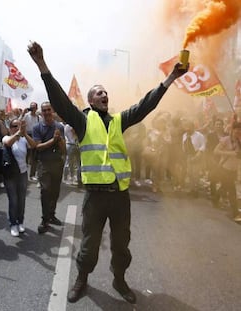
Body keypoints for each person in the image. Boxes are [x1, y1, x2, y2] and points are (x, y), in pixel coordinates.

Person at [28, 41, 188, 304]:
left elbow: (146, 104)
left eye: (106, 93)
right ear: (91, 100)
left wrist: (171, 77)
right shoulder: (82, 120)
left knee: (121, 243)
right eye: (99, 92)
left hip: (120, 196)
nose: (105, 95)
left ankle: (119, 278)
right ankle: (82, 278)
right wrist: (42, 65)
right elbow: (60, 100)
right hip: (95, 197)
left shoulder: (118, 120)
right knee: (90, 245)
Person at [33, 102, 66, 234]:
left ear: (52, 111)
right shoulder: (37, 128)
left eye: (49, 110)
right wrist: (53, 140)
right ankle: (45, 219)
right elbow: (38, 146)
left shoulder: (59, 127)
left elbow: (64, 150)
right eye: (44, 110)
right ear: (41, 112)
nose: (46, 112)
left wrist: (60, 140)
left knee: (55, 192)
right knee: (45, 191)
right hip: (44, 164)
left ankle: (51, 215)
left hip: (57, 164)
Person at [2, 119, 37, 236]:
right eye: (14, 126)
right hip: (10, 175)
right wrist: (18, 133)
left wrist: (25, 133)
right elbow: (8, 143)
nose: (16, 128)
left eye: (18, 126)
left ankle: (20, 221)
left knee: (21, 200)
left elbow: (33, 145)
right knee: (13, 200)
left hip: (22, 173)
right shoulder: (6, 138)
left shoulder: (23, 139)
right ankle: (13, 224)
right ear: (10, 128)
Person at [213, 121, 241, 222]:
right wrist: (230, 153)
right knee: (232, 190)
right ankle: (235, 213)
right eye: (236, 130)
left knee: (225, 187)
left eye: (240, 130)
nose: (238, 132)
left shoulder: (239, 141)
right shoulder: (225, 140)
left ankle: (215, 198)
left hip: (233, 170)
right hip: (224, 169)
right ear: (232, 130)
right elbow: (215, 151)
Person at [22, 102, 42, 180]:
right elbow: (20, 122)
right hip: (27, 135)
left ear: (36, 108)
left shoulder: (39, 117)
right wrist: (23, 114)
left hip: (35, 136)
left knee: (34, 157)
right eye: (31, 107)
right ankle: (23, 174)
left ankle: (32, 175)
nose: (32, 109)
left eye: (34, 107)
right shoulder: (26, 116)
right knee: (25, 156)